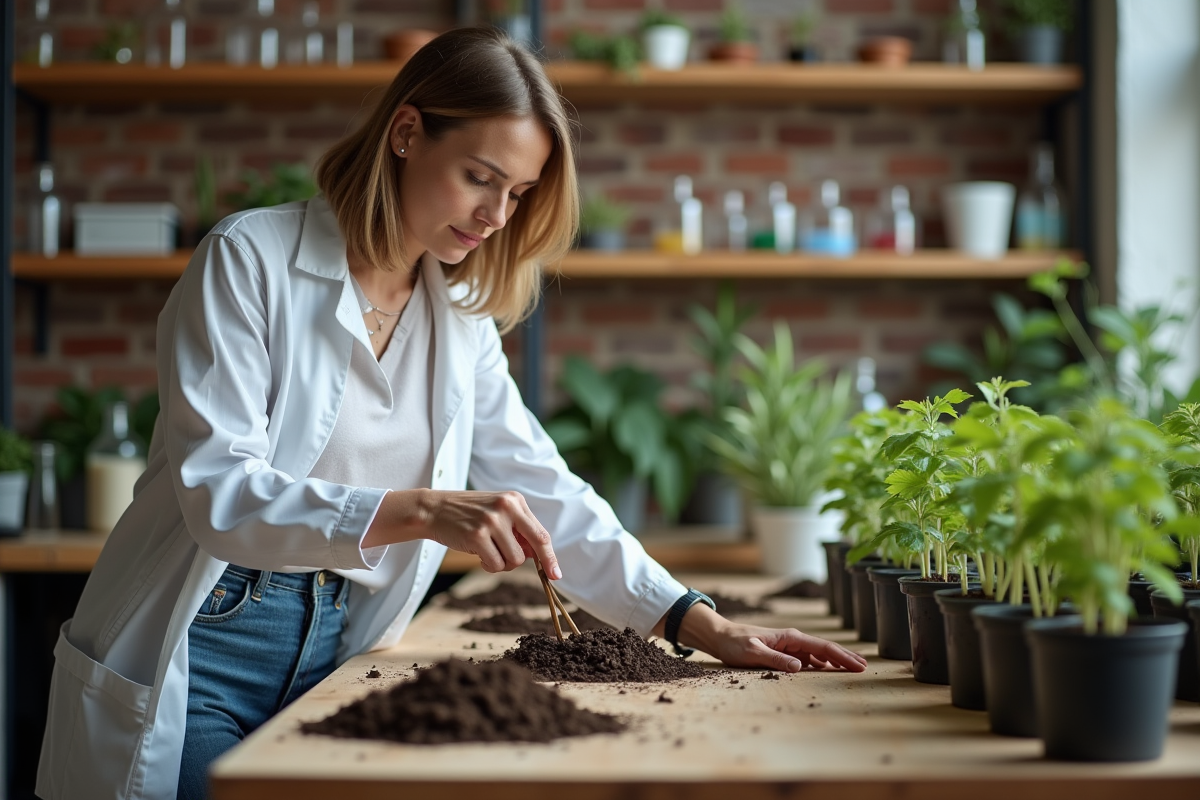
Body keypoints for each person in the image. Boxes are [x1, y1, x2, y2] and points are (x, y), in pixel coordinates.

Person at [36, 26, 866, 800]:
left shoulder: (459, 317)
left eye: (519, 192)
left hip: (335, 643)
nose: (497, 216)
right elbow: (219, 494)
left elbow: (542, 488)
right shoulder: (249, 260)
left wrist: (697, 622)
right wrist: (427, 511)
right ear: (405, 132)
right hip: (206, 640)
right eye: (480, 176)